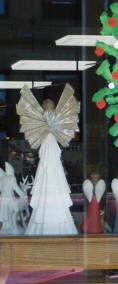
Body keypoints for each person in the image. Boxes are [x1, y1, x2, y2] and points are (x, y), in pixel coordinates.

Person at [17, 85, 79, 235]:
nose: (48, 110)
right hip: (48, 157)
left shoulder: (50, 131)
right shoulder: (48, 131)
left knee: (50, 174)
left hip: (50, 158)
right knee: (48, 174)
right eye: (47, 107)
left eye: (50, 107)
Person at [0, 163, 27, 234]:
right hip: (9, 197)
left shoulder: (2, 178)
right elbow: (16, 188)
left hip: (2, 198)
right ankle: (11, 227)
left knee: (5, 212)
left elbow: (0, 188)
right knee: (11, 212)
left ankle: (5, 227)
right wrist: (23, 195)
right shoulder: (12, 178)